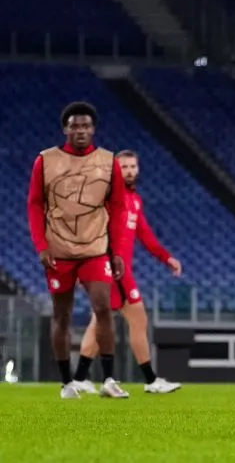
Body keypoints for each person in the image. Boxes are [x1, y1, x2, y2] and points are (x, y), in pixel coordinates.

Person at [27, 102, 129, 399]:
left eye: (86, 126)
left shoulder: (109, 162)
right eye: (75, 126)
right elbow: (34, 204)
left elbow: (119, 207)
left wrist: (118, 251)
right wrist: (41, 245)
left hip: (96, 248)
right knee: (62, 314)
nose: (81, 131)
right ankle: (66, 383)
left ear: (93, 129)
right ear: (66, 129)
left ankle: (109, 379)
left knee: (103, 307)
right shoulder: (45, 161)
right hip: (58, 249)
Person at [72, 150, 184, 395]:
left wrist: (167, 258)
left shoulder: (134, 200)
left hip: (120, 271)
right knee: (134, 319)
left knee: (101, 323)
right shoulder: (107, 199)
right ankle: (149, 380)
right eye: (124, 167)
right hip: (109, 269)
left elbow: (144, 234)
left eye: (133, 166)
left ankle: (80, 377)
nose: (130, 171)